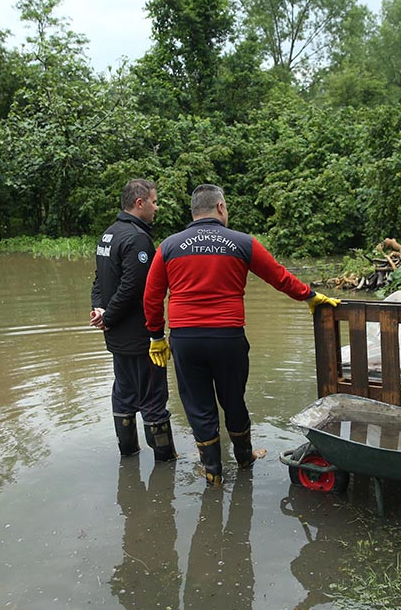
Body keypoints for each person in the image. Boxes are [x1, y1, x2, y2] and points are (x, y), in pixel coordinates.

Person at [142, 184, 339, 486]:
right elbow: (279, 276)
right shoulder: (242, 242)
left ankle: (213, 473)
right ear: (220, 207)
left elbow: (152, 296)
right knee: (233, 399)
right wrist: (309, 295)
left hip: (186, 339)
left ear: (193, 211)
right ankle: (245, 459)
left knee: (198, 405)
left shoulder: (169, 246)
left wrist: (156, 335)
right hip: (227, 338)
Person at [91, 179, 176, 461]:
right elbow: (134, 287)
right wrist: (110, 315)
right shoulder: (138, 238)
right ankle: (166, 463)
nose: (157, 207)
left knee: (124, 394)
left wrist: (100, 311)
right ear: (140, 203)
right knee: (153, 398)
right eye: (154, 201)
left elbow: (98, 281)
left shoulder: (108, 234)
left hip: (116, 336)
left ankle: (128, 454)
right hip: (139, 338)